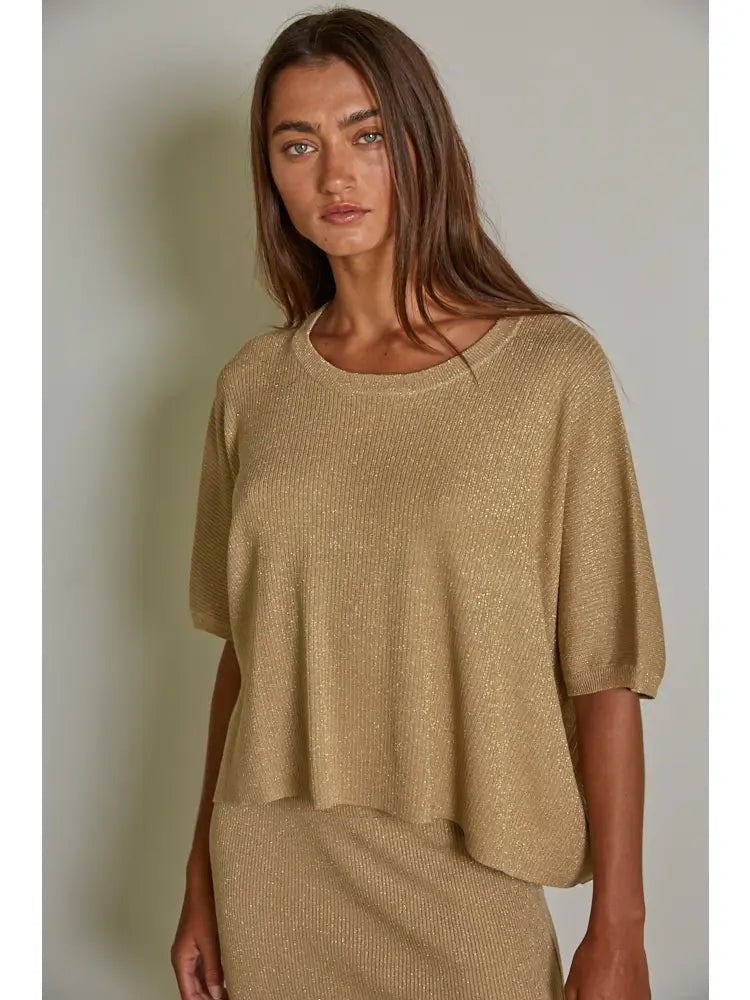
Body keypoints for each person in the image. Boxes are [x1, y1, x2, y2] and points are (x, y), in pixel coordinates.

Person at [170, 8, 666, 1000]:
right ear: (271, 174)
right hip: (272, 872)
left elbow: (605, 670)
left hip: (471, 871)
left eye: (366, 134)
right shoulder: (253, 387)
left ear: (420, 143)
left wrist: (618, 929)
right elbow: (246, 656)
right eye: (297, 145)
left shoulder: (551, 373)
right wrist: (199, 881)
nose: (334, 175)